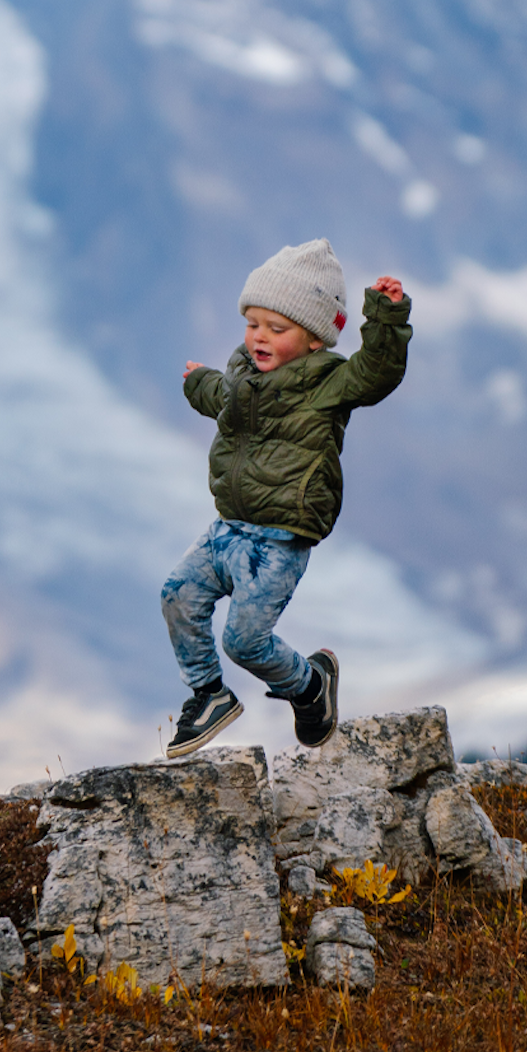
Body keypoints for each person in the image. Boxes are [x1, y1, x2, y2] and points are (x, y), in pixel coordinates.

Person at [161, 238, 411, 758]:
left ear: (316, 338)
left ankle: (310, 686)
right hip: (228, 527)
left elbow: (377, 372)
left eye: (278, 328)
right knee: (177, 596)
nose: (260, 337)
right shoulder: (243, 374)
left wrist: (385, 319)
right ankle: (209, 695)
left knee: (245, 642)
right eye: (253, 323)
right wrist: (198, 383)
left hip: (279, 539)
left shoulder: (328, 383)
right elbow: (222, 399)